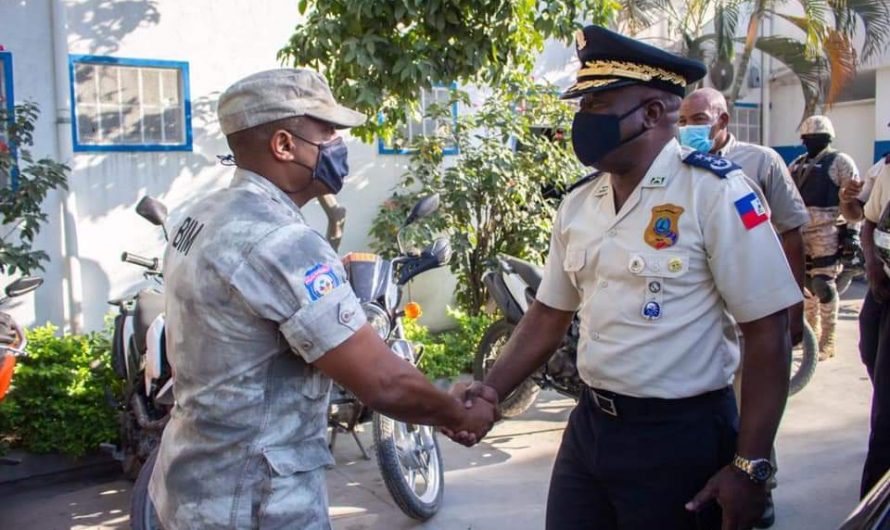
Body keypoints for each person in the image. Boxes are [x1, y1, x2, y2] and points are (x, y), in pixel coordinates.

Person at [446, 25, 801, 530]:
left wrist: (751, 465)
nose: (581, 120)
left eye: (596, 105)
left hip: (682, 437)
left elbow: (768, 333)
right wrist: (491, 391)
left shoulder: (715, 194)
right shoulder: (578, 203)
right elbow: (548, 313)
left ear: (653, 113)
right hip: (591, 429)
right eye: (582, 105)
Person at [148, 68, 496, 530]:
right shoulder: (280, 241)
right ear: (284, 145)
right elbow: (382, 381)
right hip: (256, 502)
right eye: (327, 131)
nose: (338, 143)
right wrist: (457, 411)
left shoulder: (202, 215)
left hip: (192, 483)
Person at [678, 87, 808, 528]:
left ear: (723, 120)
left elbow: (790, 234)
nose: (690, 129)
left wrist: (794, 305)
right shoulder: (677, 168)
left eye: (699, 119)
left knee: (751, 410)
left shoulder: (760, 162)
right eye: (684, 120)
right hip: (706, 322)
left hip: (752, 317)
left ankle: (757, 487)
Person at [788, 116, 862, 361]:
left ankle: (828, 339)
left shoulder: (840, 161)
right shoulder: (797, 164)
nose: (811, 142)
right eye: (807, 139)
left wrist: (852, 233)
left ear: (827, 139)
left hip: (827, 230)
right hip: (801, 232)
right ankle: (813, 334)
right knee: (807, 287)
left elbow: (853, 200)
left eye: (815, 139)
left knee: (823, 285)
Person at [842, 144, 890, 497]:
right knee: (870, 351)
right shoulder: (886, 167)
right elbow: (866, 218)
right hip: (883, 288)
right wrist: (872, 265)